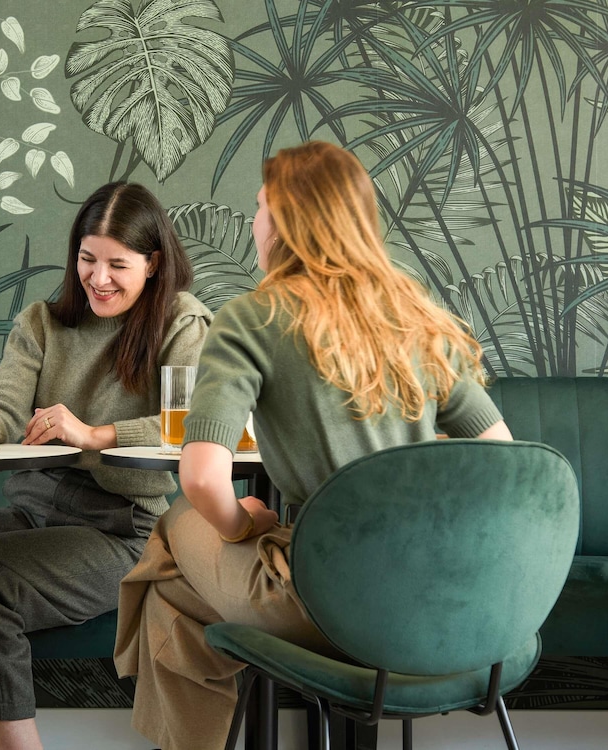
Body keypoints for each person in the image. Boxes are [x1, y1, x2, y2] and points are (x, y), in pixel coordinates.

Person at [113, 141, 513, 750]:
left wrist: (246, 525)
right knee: (174, 596)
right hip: (437, 604)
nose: (253, 221)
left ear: (285, 223)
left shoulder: (251, 319)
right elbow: (502, 459)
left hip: (326, 602)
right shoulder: (416, 318)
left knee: (173, 531)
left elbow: (201, 478)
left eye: (259, 207)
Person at [0, 182, 213, 750]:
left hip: (123, 529)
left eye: (117, 265)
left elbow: (192, 425)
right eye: (87, 259)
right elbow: (7, 415)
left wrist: (93, 435)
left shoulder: (183, 322)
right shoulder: (41, 322)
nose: (98, 278)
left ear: (154, 264)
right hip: (34, 511)